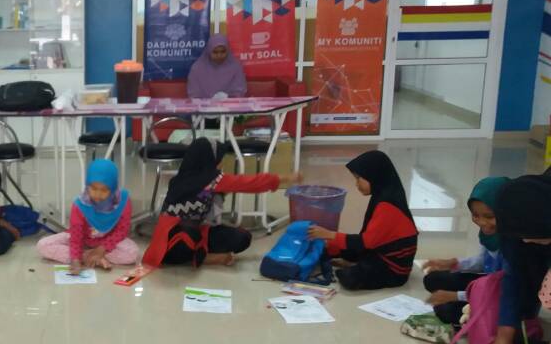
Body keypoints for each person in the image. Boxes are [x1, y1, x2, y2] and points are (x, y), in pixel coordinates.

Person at [142, 139, 301, 268]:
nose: (221, 165)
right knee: (185, 240)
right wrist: (285, 178)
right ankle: (202, 258)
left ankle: (200, 255)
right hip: (170, 245)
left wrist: (221, 193)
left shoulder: (184, 177)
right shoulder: (212, 180)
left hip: (198, 234)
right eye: (219, 160)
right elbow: (250, 183)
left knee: (242, 238)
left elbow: (203, 195)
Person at [308, 151, 417, 291]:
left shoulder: (387, 205)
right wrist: (332, 241)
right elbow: (366, 241)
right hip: (378, 250)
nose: (356, 184)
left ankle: (356, 264)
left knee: (349, 277)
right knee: (334, 249)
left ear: (374, 176)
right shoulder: (382, 194)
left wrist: (329, 234)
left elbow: (365, 242)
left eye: (359, 178)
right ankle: (354, 261)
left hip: (393, 267)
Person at [487, 171, 551, 344]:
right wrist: (503, 337)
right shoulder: (518, 214)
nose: (526, 241)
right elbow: (514, 274)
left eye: (532, 235)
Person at [422, 177, 507, 325]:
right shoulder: (491, 235)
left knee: (446, 310)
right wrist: (453, 263)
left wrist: (456, 296)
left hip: (504, 297)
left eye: (489, 216)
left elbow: (502, 290)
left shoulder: (515, 244)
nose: (482, 222)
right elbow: (483, 261)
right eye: (475, 215)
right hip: (488, 282)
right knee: (432, 279)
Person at [37, 159, 139, 274]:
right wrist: (75, 259)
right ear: (87, 185)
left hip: (107, 241)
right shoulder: (80, 204)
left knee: (132, 253)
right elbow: (76, 236)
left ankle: (94, 256)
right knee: (43, 245)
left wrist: (102, 249)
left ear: (113, 187)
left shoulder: (122, 201)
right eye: (93, 188)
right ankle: (92, 258)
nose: (98, 194)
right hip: (82, 239)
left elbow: (122, 230)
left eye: (104, 190)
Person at [187, 34, 247, 100]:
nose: (219, 55)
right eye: (215, 52)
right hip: (203, 106)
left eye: (223, 51)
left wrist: (226, 99)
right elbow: (194, 95)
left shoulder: (236, 67)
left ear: (228, 51)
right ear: (209, 51)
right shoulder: (197, 69)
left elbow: (239, 93)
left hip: (230, 105)